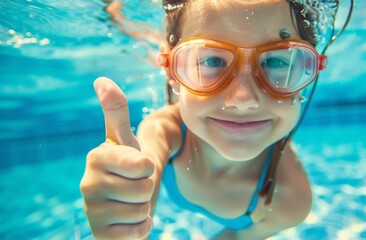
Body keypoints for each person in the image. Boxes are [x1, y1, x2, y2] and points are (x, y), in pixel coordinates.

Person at [80, 0, 349, 239]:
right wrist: (123, 197)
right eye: (210, 61)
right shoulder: (165, 130)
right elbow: (143, 168)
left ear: (307, 74)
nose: (244, 99)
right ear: (173, 72)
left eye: (277, 62)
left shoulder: (290, 200)